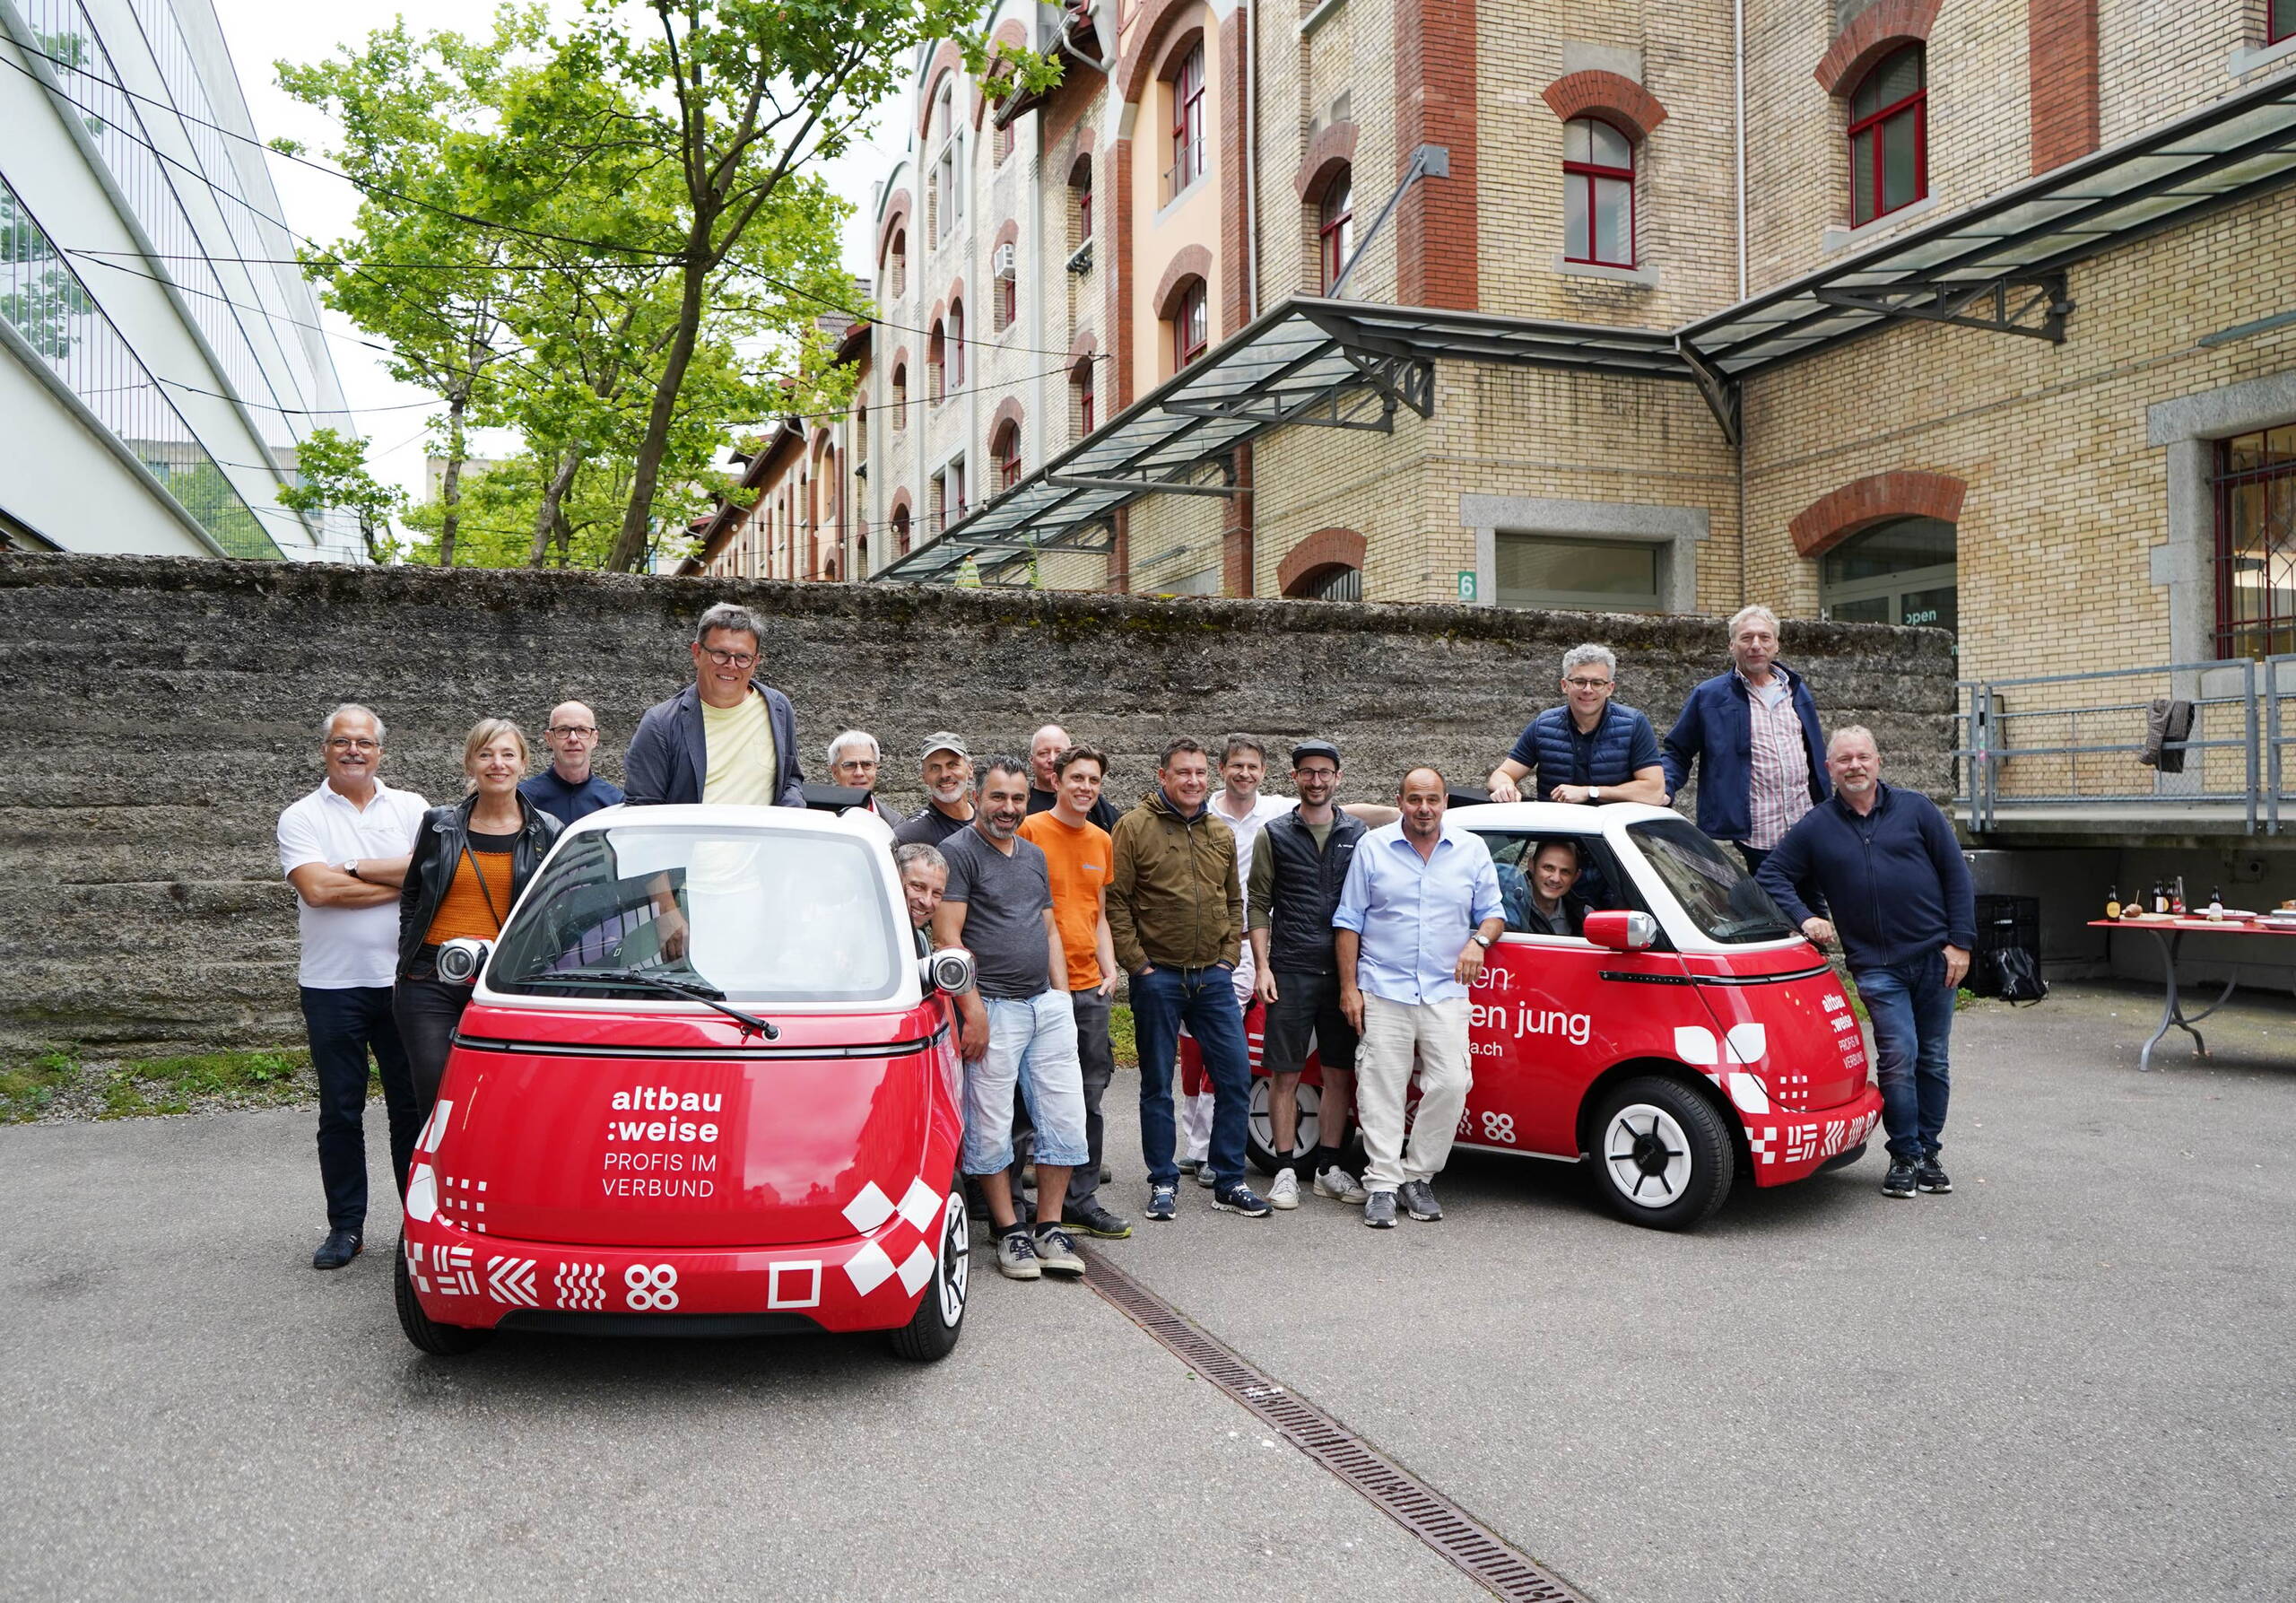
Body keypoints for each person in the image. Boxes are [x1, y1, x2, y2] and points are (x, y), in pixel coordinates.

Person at [1757, 727, 1973, 1201]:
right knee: (1900, 1056)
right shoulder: (1817, 826)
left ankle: (1929, 1152)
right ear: (1829, 769)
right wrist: (1806, 917)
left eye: (1862, 757)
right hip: (1876, 966)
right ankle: (1904, 1155)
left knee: (1933, 1056)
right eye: (1843, 760)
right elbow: (1771, 873)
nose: (1854, 766)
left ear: (1878, 761)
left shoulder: (1917, 810)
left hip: (1935, 957)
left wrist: (1961, 942)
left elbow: (1956, 874)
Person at [276, 705, 430, 1271]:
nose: (353, 751)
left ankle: (419, 1227)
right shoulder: (300, 816)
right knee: (340, 1112)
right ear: (325, 749)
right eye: (342, 742)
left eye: (364, 742)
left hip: (404, 983)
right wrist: (396, 876)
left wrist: (352, 867)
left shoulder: (412, 808)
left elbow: (430, 873)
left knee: (410, 1111)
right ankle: (346, 1228)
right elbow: (316, 891)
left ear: (380, 751)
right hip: (331, 986)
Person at [932, 756, 1093, 1282]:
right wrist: (972, 1009)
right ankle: (1009, 1232)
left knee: (1064, 1117)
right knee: (991, 1122)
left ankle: (1048, 1225)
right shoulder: (958, 854)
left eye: (1018, 799)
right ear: (979, 796)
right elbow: (948, 939)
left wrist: (1061, 998)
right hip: (994, 1009)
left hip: (1044, 1004)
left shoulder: (1033, 855)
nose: (1008, 809)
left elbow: (1048, 931)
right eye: (998, 797)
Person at [1335, 766, 1505, 1229]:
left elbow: (1493, 914)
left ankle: (1417, 1175)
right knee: (1380, 1087)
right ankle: (1383, 1185)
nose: (1423, 809)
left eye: (1432, 799)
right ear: (1401, 800)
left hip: (1444, 990)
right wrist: (1349, 988)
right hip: (1384, 988)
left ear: (1445, 801)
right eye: (1414, 800)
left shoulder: (1471, 850)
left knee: (1452, 1083)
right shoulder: (1374, 847)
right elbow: (1349, 921)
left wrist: (1479, 942)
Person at [1108, 736, 1269, 1222]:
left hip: (1213, 978)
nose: (1194, 781)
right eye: (1183, 772)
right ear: (1163, 776)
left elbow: (1234, 900)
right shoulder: (1133, 828)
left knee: (1236, 1077)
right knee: (1158, 1081)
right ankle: (1162, 1179)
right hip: (1158, 977)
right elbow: (1116, 901)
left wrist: (1227, 958)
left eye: (1200, 773)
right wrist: (1139, 966)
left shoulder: (1219, 832)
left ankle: (1228, 1179)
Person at [394, 719, 562, 1128]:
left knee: (500, 1102)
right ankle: (431, 1190)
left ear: (523, 763)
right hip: (429, 980)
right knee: (435, 1102)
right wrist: (408, 955)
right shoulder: (439, 824)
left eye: (507, 754)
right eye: (486, 754)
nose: (497, 764)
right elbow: (412, 894)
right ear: (470, 762)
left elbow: (552, 912)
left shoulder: (548, 831)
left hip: (503, 982)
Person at [1246, 739, 1367, 1210]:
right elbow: (1258, 903)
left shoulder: (1357, 833)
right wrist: (1262, 966)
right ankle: (1283, 1171)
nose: (1316, 781)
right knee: (1285, 1074)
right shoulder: (1273, 834)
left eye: (1325, 773)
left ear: (1338, 778)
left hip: (1343, 974)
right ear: (1294, 777)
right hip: (1291, 969)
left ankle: (1330, 1168)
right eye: (1307, 773)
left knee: (1339, 1075)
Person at [1018, 744, 1130, 1240]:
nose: (1085, 788)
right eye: (1077, 778)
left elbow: (1098, 913)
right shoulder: (1031, 831)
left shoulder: (1102, 840)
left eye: (1094, 781)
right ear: (1057, 781)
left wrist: (1110, 971)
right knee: (1026, 1096)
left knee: (1089, 1096)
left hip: (1089, 990)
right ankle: (1018, 1206)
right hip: (1038, 989)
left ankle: (1080, 1200)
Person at [1171, 736, 1296, 1180]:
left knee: (1224, 1047)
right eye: (1237, 766)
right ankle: (1195, 1143)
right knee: (1194, 1051)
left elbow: (1343, 810)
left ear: (1264, 772)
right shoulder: (1200, 811)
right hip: (1200, 945)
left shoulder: (1278, 810)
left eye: (1253, 766)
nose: (1245, 773)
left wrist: (1395, 813)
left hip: (1249, 945)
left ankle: (1208, 1151)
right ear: (1222, 768)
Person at [1662, 605, 1831, 875]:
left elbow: (1813, 752)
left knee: (1815, 906)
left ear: (1776, 645)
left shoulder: (1795, 690)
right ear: (1732, 645)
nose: (1756, 645)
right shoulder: (1710, 696)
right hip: (1758, 835)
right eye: (1746, 638)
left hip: (1806, 825)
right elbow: (1677, 752)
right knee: (1775, 907)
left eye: (1765, 638)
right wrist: (1664, 788)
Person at [624, 601, 804, 807]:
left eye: (743, 657)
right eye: (720, 654)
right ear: (697, 653)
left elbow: (791, 777)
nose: (731, 665)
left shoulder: (778, 708)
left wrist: (792, 806)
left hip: (763, 840)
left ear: (755, 662)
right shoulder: (660, 724)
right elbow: (643, 809)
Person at [1486, 644, 1668, 806]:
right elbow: (1502, 774)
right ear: (1565, 685)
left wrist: (1591, 792)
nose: (1587, 690)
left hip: (1613, 832)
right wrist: (1505, 786)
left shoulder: (1633, 724)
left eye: (1597, 683)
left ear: (1610, 688)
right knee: (1556, 847)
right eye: (1579, 682)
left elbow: (1654, 791)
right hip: (1561, 831)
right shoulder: (1544, 725)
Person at [519, 700, 625, 826]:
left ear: (595, 739)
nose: (573, 739)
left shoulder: (615, 803)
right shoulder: (523, 800)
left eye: (582, 730)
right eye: (563, 730)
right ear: (549, 739)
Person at [1026, 723, 1118, 829]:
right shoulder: (1021, 806)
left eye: (1059, 752)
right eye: (1043, 753)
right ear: (1032, 760)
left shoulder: (1099, 810)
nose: (1052, 759)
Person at [893, 735, 977, 846]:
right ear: (924, 777)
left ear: (970, 769)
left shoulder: (989, 820)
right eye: (935, 768)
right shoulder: (912, 835)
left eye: (952, 765)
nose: (944, 775)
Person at [1502, 838, 1590, 937]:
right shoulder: (1507, 908)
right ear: (1531, 865)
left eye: (1565, 872)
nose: (1555, 879)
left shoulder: (1585, 916)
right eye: (1548, 868)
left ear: (1576, 876)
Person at [827, 729, 894, 818]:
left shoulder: (895, 823)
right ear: (834, 771)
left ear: (876, 768)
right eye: (850, 765)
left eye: (867, 765)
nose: (859, 773)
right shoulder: (818, 819)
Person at [894, 841, 948, 941]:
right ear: (895, 879)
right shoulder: (863, 932)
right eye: (918, 887)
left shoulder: (920, 940)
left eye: (936, 893)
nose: (927, 902)